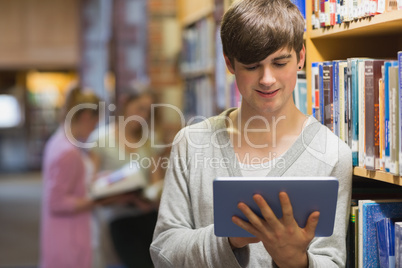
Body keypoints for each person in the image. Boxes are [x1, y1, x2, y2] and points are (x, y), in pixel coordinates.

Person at [150, 0, 353, 267]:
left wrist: (296, 261)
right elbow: (164, 250)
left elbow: (332, 260)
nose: (267, 79)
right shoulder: (191, 143)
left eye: (279, 63)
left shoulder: (333, 154)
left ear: (301, 57)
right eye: (252, 66)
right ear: (229, 63)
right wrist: (227, 238)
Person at [40, 86, 127, 268]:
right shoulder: (67, 151)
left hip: (77, 230)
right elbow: (56, 202)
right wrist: (98, 200)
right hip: (70, 237)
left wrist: (103, 179)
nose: (94, 129)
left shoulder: (67, 142)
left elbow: (76, 182)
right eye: (95, 123)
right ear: (87, 116)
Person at [90, 89, 164, 268]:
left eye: (147, 110)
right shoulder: (101, 139)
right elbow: (91, 186)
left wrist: (153, 196)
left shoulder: (150, 140)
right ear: (125, 105)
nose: (143, 115)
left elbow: (155, 184)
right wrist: (124, 196)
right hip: (117, 217)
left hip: (148, 214)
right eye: (139, 108)